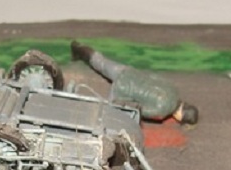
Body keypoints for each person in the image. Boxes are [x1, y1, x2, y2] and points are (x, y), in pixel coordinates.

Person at [70, 41, 199, 125]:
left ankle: (79, 49)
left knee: (101, 62)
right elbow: (139, 110)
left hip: (129, 72)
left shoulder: (173, 89)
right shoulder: (162, 112)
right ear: (181, 116)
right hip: (124, 89)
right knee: (108, 114)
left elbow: (153, 76)